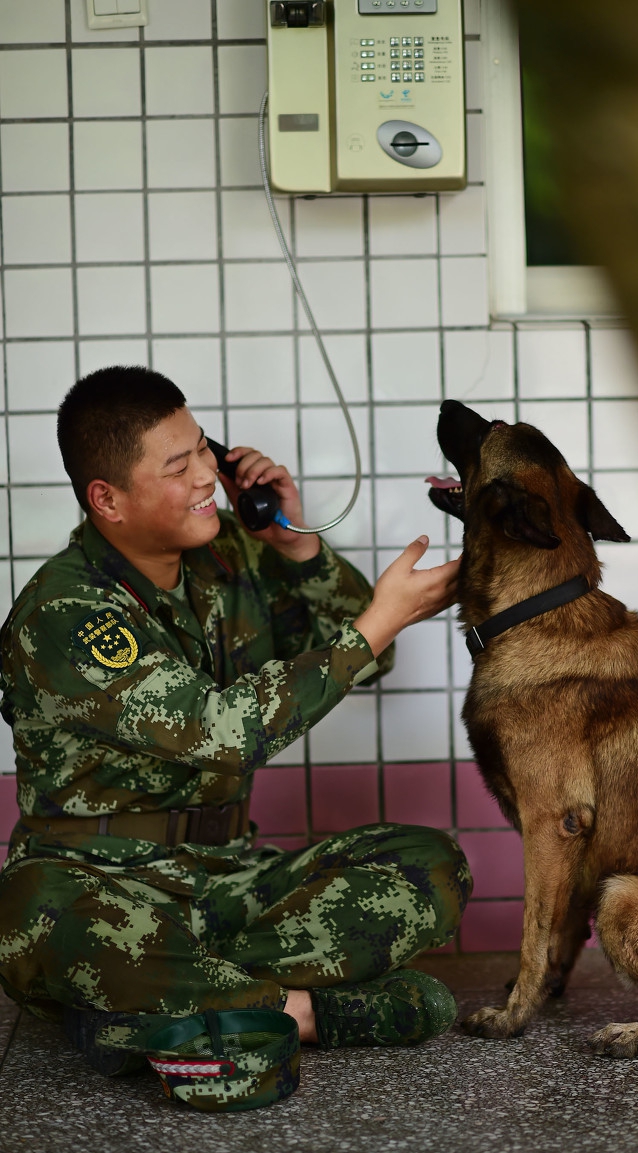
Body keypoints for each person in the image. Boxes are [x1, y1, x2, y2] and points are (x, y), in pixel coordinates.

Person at [0, 366, 471, 1112]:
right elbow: (225, 732)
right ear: (107, 499)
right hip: (97, 882)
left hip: (225, 877)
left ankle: (172, 1003)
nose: (207, 481)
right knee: (45, 919)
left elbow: (370, 660)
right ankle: (306, 1010)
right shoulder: (67, 611)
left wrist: (294, 547)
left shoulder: (230, 558)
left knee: (430, 866)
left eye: (205, 453)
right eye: (177, 465)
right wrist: (378, 618)